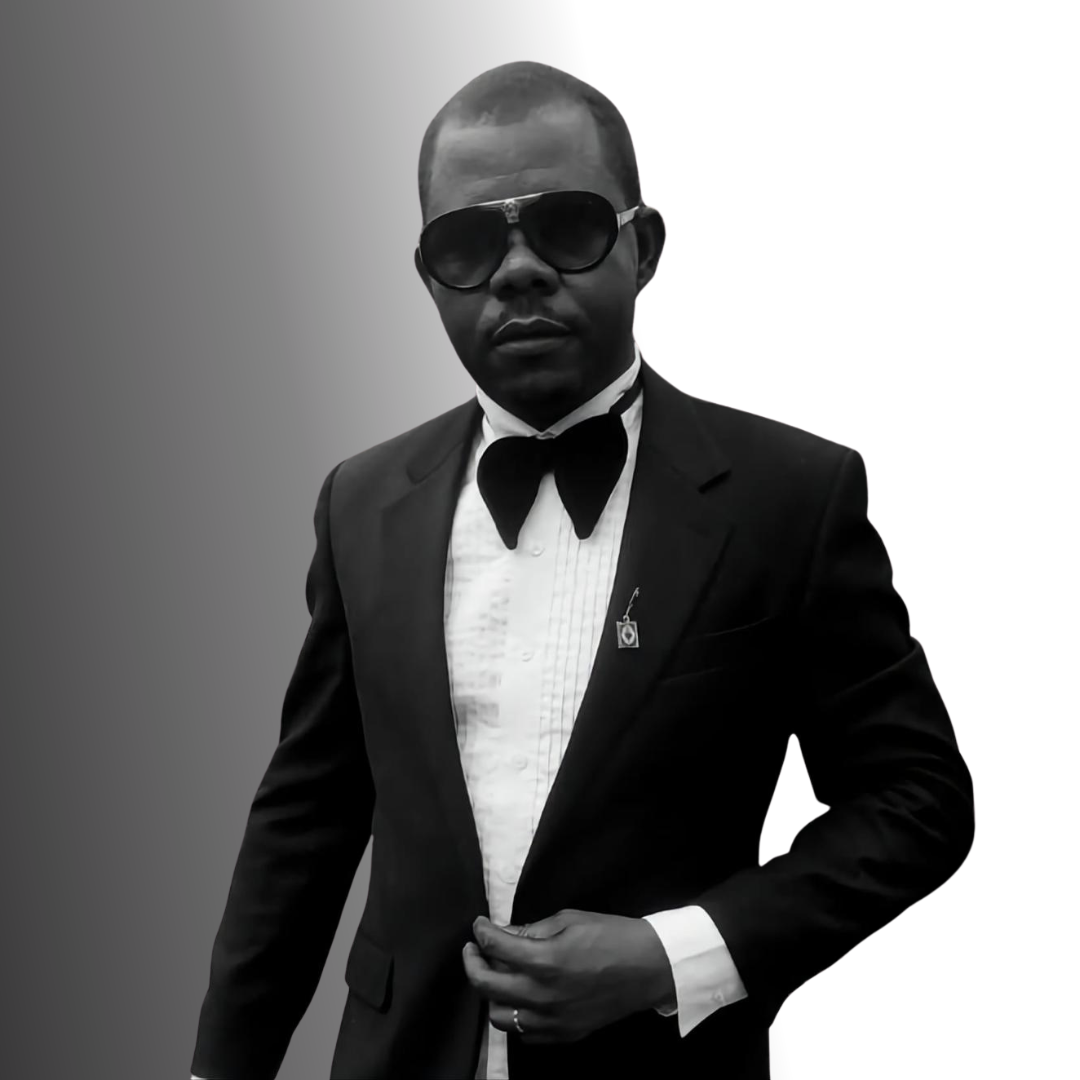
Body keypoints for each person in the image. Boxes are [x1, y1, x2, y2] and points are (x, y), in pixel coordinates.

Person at [190, 61, 974, 1080]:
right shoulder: (362, 505)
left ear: (642, 247)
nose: (517, 270)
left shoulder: (787, 499)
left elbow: (917, 800)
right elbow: (307, 816)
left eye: (565, 226)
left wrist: (673, 955)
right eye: (468, 243)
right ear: (430, 278)